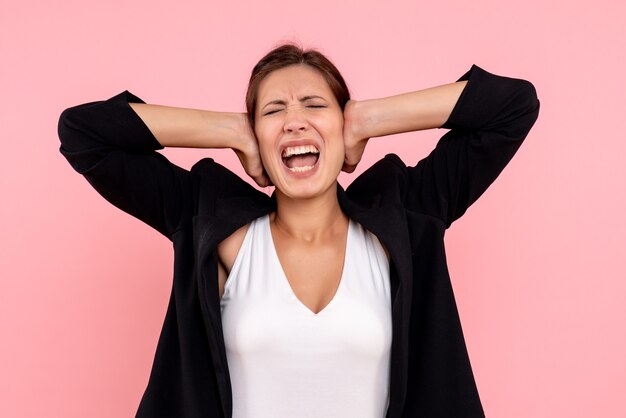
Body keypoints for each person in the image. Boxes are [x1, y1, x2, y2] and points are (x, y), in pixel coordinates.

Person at [58, 43, 540, 418]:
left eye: (315, 106)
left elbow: (512, 107)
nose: (294, 122)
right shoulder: (212, 223)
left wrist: (368, 118)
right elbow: (84, 136)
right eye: (273, 112)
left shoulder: (407, 215)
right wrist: (230, 130)